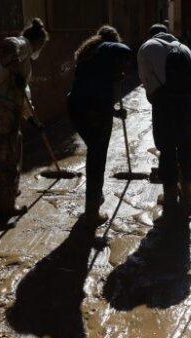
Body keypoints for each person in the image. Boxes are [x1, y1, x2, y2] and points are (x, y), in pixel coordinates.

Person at [0, 18, 48, 218]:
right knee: (5, 158)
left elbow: (23, 95)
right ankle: (4, 207)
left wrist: (32, 120)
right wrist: (14, 69)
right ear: (37, 41)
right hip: (1, 112)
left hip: (6, 112)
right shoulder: (23, 45)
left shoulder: (25, 57)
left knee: (12, 151)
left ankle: (7, 195)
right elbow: (5, 46)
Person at [67, 26, 131, 225]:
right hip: (93, 111)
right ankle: (92, 211)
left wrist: (113, 111)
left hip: (77, 108)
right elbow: (125, 51)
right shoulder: (106, 49)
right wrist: (119, 66)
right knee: (97, 158)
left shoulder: (90, 56)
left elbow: (92, 91)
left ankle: (94, 200)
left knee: (95, 152)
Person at [137, 24, 191, 215]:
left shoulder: (147, 47)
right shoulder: (184, 48)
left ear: (151, 34)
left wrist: (155, 99)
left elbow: (146, 81)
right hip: (187, 102)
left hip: (164, 103)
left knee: (167, 148)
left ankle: (170, 197)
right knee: (185, 145)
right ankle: (187, 197)